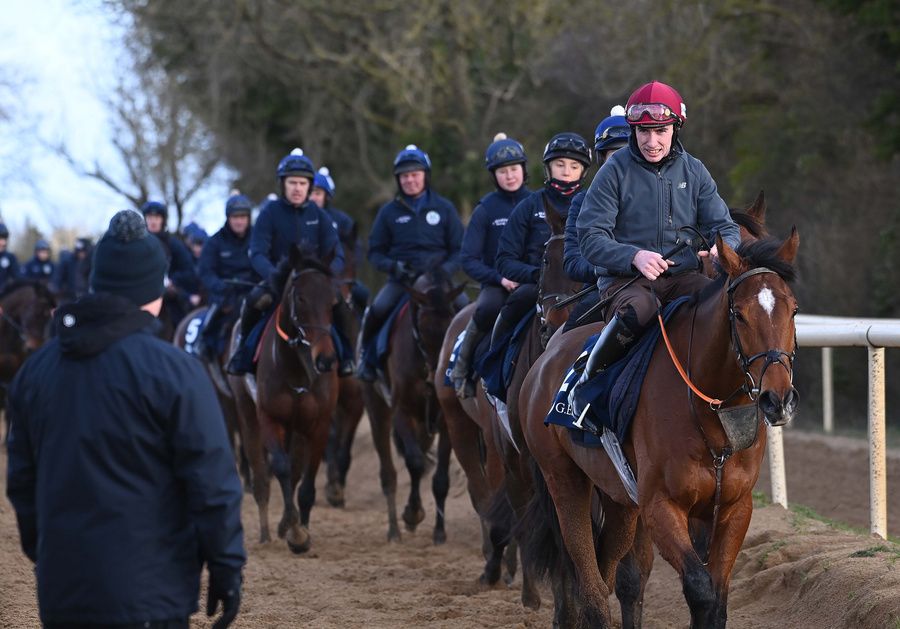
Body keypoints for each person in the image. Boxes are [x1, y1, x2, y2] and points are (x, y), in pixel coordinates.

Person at [6, 209, 245, 628]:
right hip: (153, 598)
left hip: (64, 595)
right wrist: (226, 565)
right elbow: (212, 484)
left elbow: (22, 483)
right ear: (152, 290)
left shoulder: (35, 371)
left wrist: (49, 554)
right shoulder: (177, 372)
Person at [569, 80, 741, 418]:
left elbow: (725, 226)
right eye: (643, 132)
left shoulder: (695, 170)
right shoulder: (612, 172)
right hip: (627, 283)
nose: (652, 141)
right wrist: (633, 256)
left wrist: (725, 249)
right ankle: (587, 388)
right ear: (633, 130)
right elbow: (589, 237)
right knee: (640, 309)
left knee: (724, 305)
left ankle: (738, 398)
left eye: (660, 131)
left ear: (676, 128)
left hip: (683, 277)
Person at [225, 148, 347, 376]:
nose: (297, 188)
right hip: (277, 283)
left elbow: (337, 254)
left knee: (339, 303)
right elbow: (257, 253)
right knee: (252, 302)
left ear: (309, 186)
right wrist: (275, 277)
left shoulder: (320, 216)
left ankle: (347, 358)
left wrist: (326, 277)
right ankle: (243, 355)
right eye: (292, 183)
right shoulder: (269, 213)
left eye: (302, 183)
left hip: (313, 286)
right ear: (283, 184)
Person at [356, 144, 465, 382]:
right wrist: (394, 267)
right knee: (378, 309)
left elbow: (460, 249)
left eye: (414, 175)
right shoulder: (388, 212)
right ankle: (367, 360)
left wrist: (444, 271)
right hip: (402, 281)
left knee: (467, 309)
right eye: (404, 176)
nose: (410, 180)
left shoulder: (444, 208)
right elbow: (374, 252)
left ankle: (473, 363)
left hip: (438, 280)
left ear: (425, 175)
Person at [492, 132, 592, 347]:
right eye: (559, 164)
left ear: (583, 171)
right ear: (548, 167)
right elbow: (504, 260)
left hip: (583, 284)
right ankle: (493, 368)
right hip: (538, 286)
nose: (566, 172)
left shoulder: (594, 204)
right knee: (508, 306)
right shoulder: (528, 206)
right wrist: (537, 274)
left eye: (574, 166)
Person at [450, 133, 531, 397]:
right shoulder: (485, 210)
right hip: (499, 283)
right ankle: (461, 369)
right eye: (503, 171)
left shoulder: (537, 203)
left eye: (514, 169)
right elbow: (468, 259)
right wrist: (500, 279)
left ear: (523, 170)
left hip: (533, 279)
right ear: (493, 175)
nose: (510, 176)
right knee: (486, 308)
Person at [561, 106, 630, 333]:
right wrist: (616, 266)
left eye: (628, 153)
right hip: (605, 290)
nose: (622, 163)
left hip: (665, 285)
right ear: (602, 160)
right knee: (566, 336)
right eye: (614, 155)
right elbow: (572, 262)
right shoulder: (582, 202)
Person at [196, 194, 259, 361]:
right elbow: (205, 271)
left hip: (253, 292)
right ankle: (205, 349)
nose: (239, 221)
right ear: (228, 218)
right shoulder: (214, 242)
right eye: (235, 217)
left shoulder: (258, 238)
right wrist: (219, 287)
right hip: (224, 295)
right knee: (211, 324)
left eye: (243, 217)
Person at [310, 166, 370, 312]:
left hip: (338, 276)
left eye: (317, 193)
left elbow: (355, 249)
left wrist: (343, 270)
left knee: (363, 295)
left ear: (326, 196)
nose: (313, 197)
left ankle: (363, 333)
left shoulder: (342, 220)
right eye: (310, 193)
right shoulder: (299, 219)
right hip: (309, 276)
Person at [141, 200, 202, 325]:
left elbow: (189, 270)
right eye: (150, 217)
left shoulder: (173, 244)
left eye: (157, 217)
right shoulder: (137, 243)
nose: (153, 221)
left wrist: (173, 280)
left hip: (168, 297)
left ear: (162, 220)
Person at [51, 237, 93, 303]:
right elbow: (57, 278)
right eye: (79, 251)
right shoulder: (68, 262)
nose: (81, 254)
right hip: (69, 298)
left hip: (87, 298)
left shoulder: (91, 263)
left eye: (83, 252)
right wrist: (57, 289)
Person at [0, 222, 21, 288]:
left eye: (5, 239)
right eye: (0, 239)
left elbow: (18, 278)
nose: (3, 243)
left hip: (5, 295)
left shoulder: (11, 258)